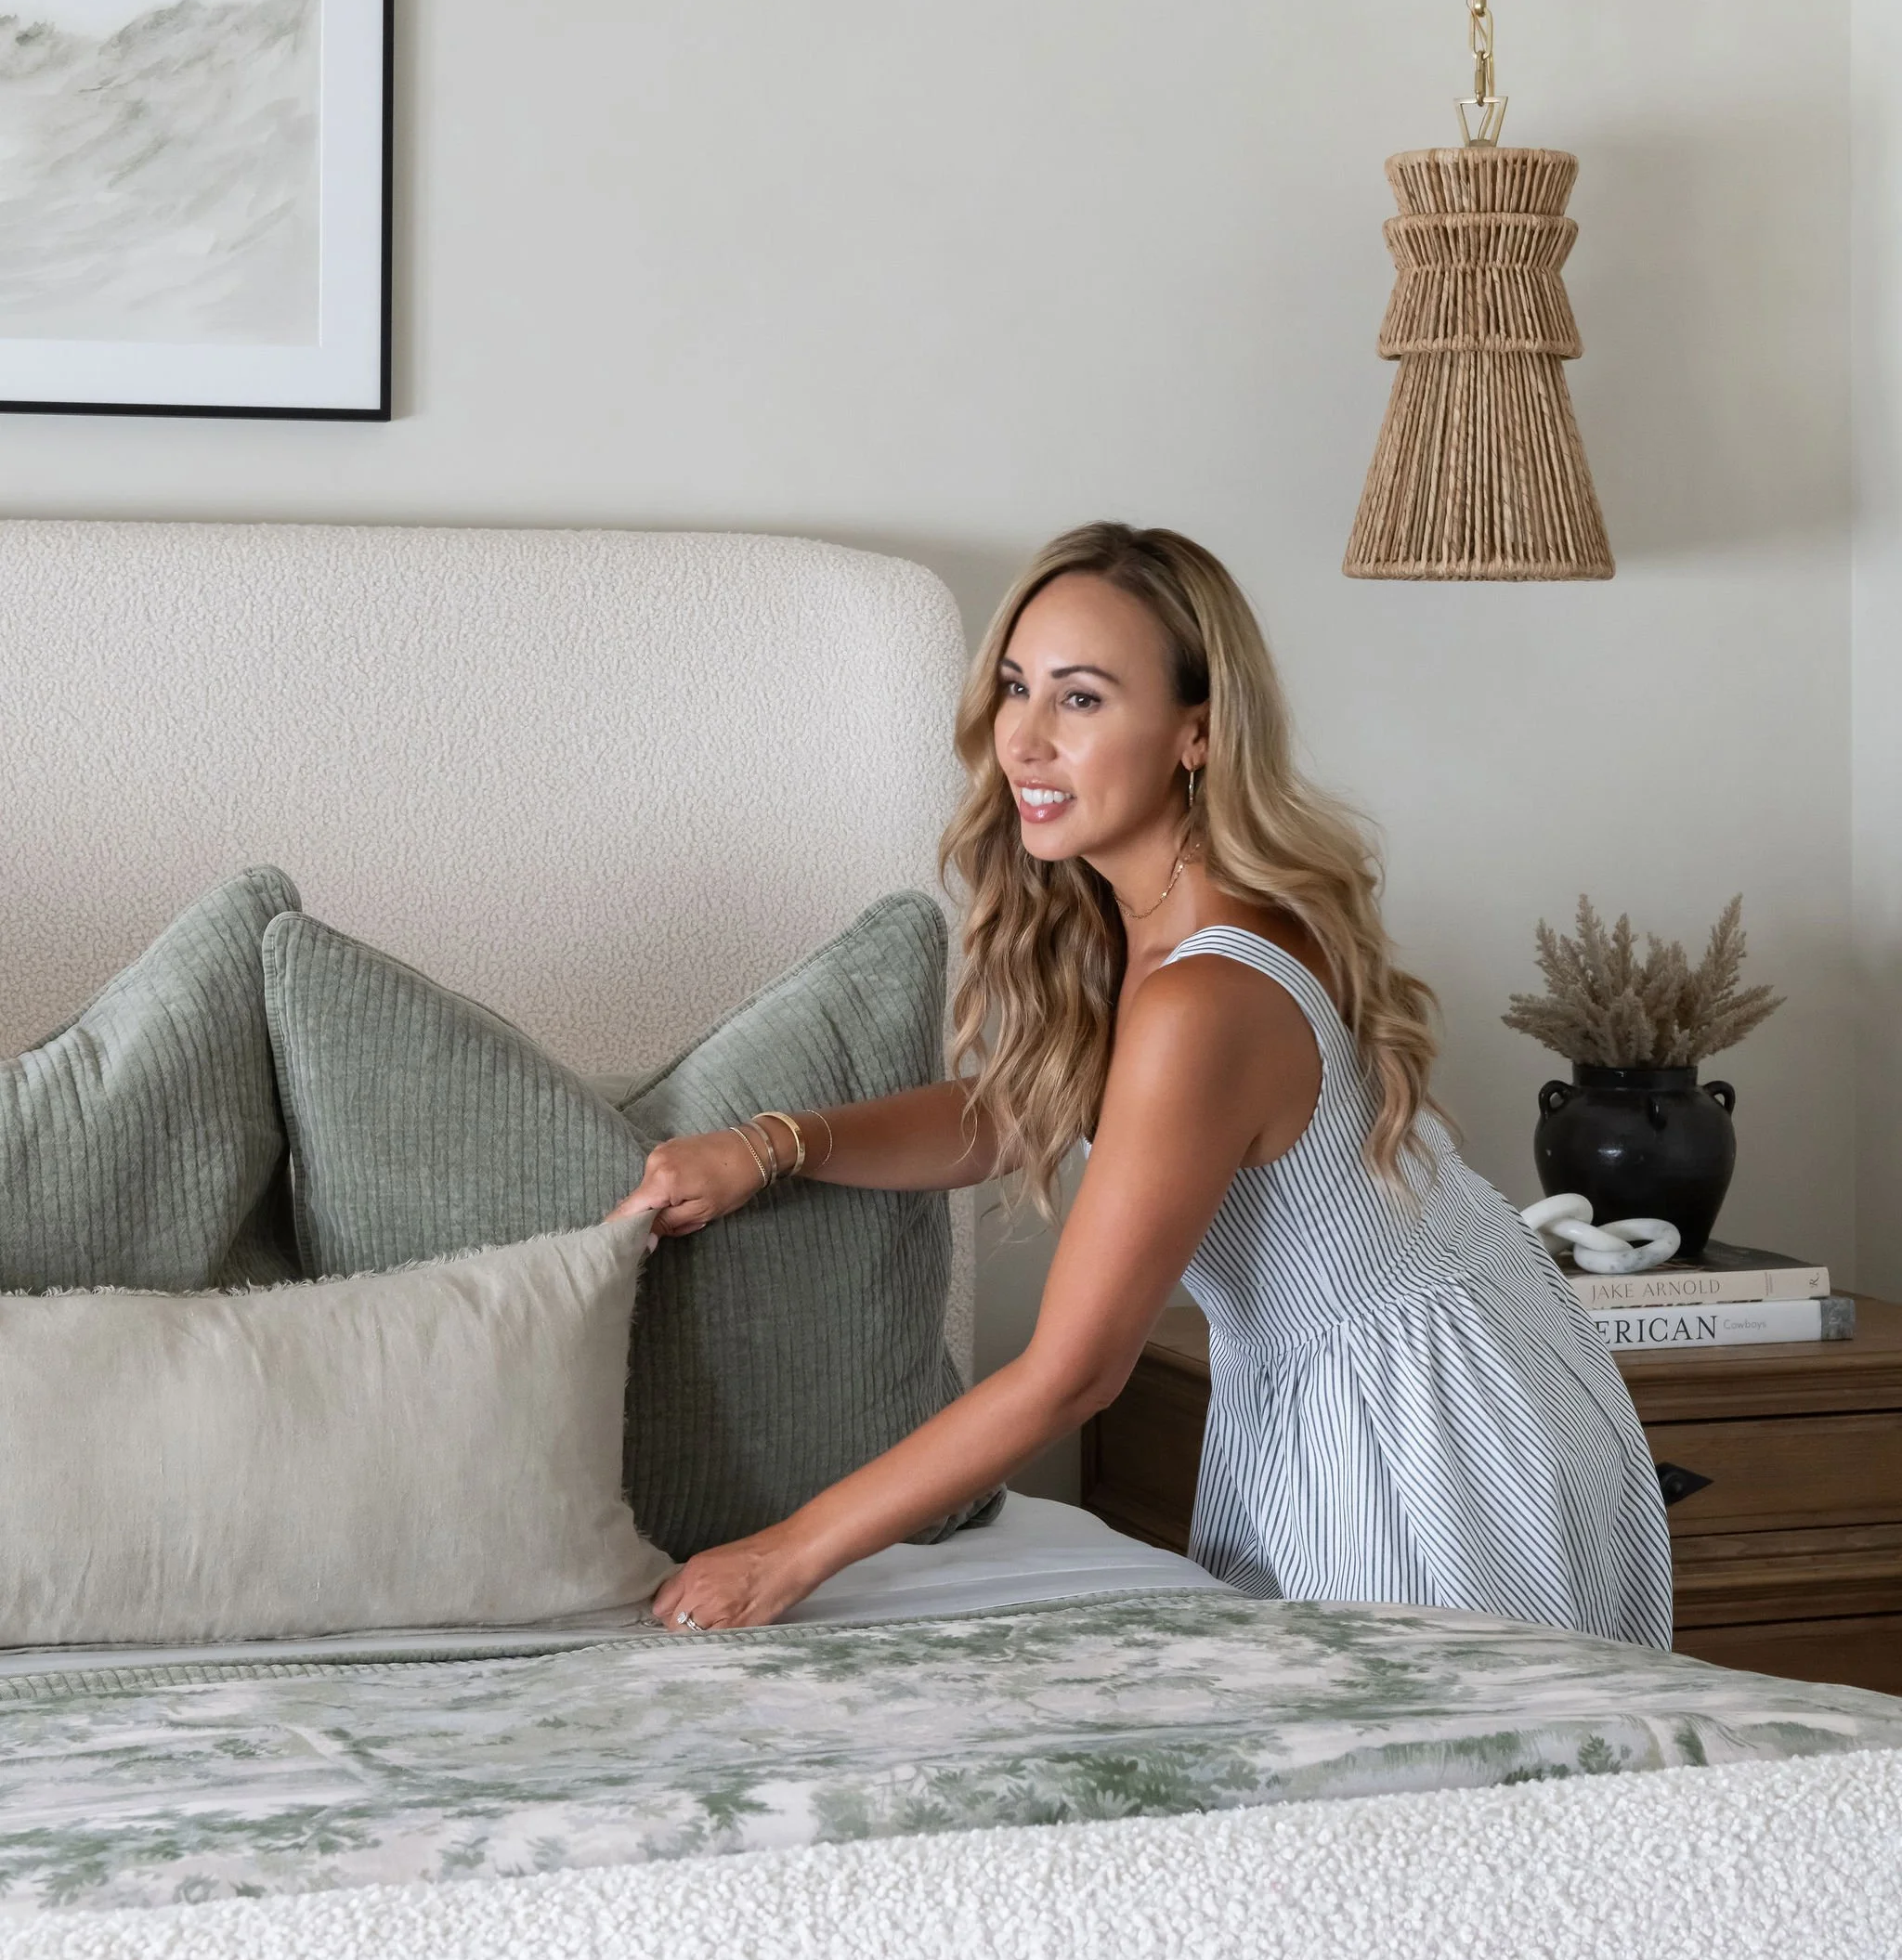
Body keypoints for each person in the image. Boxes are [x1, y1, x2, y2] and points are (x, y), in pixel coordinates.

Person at [613, 521, 1673, 1646]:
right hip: (1419, 1372)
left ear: (1193, 732)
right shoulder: (1155, 918)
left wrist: (786, 1555)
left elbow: (1071, 1377)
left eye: (1079, 700)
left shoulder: (1200, 995)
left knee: (1432, 1797)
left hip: (1421, 1431)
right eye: (1015, 688)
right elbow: (1032, 1107)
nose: (1021, 742)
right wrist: (775, 1147)